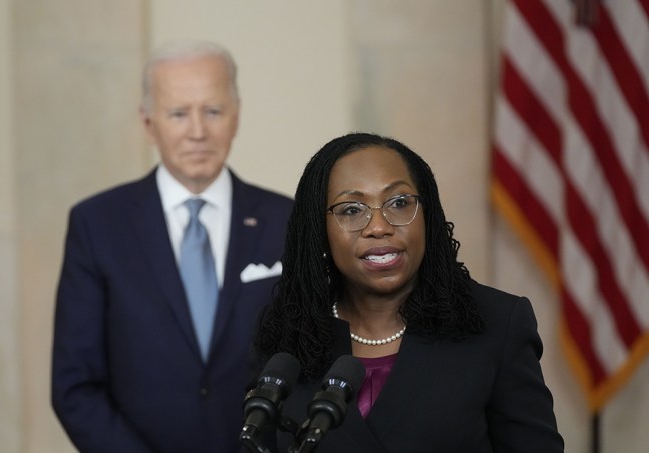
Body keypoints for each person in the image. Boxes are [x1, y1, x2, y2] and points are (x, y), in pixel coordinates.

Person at [249, 132, 565, 452]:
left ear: (427, 215)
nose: (378, 226)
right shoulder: (287, 331)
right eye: (351, 209)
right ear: (319, 228)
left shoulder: (497, 324)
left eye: (399, 203)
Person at [51, 40, 293, 452]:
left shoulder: (288, 220)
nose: (197, 131)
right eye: (179, 113)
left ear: (236, 116)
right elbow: (75, 386)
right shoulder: (97, 224)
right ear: (149, 124)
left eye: (213, 111)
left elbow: (314, 361)